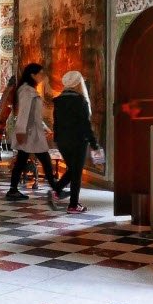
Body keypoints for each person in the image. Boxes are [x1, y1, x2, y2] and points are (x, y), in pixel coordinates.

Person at [7, 64, 59, 200]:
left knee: (21, 161)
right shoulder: (27, 91)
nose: (42, 76)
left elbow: (35, 116)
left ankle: (13, 190)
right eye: (40, 74)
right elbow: (24, 113)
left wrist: (47, 129)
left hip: (31, 133)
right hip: (29, 134)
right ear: (32, 75)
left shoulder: (29, 90)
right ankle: (56, 190)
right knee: (45, 161)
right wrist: (20, 132)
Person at [51, 70, 98, 213]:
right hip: (78, 141)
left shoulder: (58, 100)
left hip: (63, 141)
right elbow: (85, 124)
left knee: (72, 169)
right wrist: (93, 142)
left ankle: (58, 190)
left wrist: (56, 139)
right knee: (76, 173)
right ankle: (73, 205)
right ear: (78, 84)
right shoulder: (81, 101)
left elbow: (56, 123)